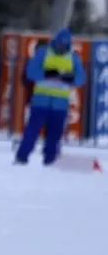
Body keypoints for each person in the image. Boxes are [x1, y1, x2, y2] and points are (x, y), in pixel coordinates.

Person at [14, 28, 85, 165]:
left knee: (55, 133)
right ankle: (22, 156)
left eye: (64, 45)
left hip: (59, 103)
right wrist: (47, 74)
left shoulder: (73, 58)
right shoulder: (43, 53)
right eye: (59, 44)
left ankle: (50, 159)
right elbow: (31, 72)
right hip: (42, 100)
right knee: (32, 130)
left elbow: (81, 78)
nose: (61, 47)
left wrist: (69, 78)